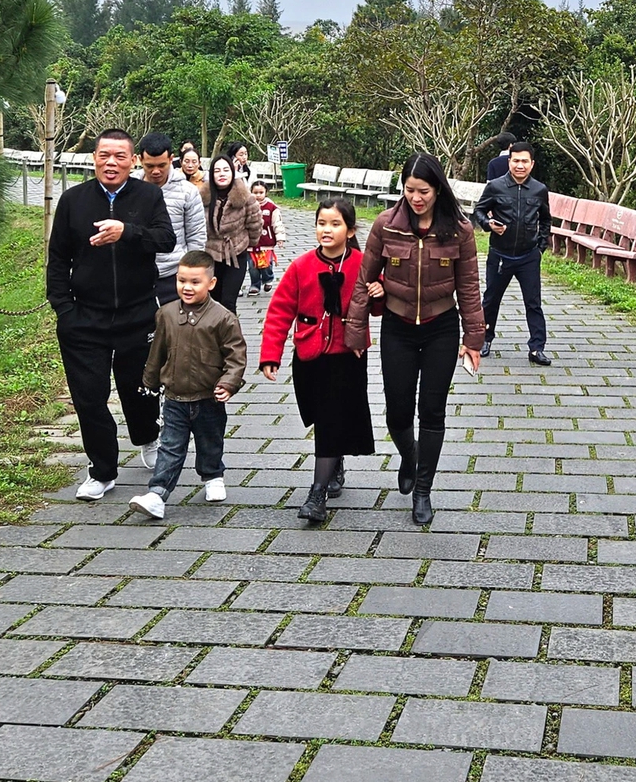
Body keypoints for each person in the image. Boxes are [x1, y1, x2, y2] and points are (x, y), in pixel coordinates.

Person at [348, 153, 485, 526]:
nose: (416, 197)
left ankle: (423, 489)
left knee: (432, 409)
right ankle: (410, 456)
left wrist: (474, 339)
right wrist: (356, 330)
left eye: (423, 190)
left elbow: (469, 287)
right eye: (409, 190)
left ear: (438, 189)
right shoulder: (386, 226)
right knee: (397, 410)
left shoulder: (459, 230)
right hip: (397, 325)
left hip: (442, 326)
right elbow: (364, 280)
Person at [45, 128, 177, 501]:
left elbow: (165, 240)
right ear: (94, 159)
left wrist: (128, 232)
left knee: (140, 389)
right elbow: (57, 259)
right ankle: (102, 470)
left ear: (132, 161)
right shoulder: (74, 200)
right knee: (89, 396)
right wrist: (64, 309)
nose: (111, 163)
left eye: (120, 156)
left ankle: (147, 436)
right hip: (85, 317)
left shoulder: (148, 195)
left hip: (137, 314)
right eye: (104, 155)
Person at [260, 195, 374, 523]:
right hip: (309, 356)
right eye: (322, 223)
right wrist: (271, 354)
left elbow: (377, 308)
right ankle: (335, 461)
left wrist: (378, 293)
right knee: (318, 415)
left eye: (335, 224)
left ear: (350, 230)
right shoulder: (301, 266)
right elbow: (280, 311)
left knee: (330, 419)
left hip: (347, 356)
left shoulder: (362, 264)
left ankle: (317, 493)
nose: (327, 229)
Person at [130, 250, 248, 520]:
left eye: (195, 282)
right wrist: (148, 381)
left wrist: (229, 383)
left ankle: (213, 475)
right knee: (170, 447)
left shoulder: (223, 318)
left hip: (209, 397)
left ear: (211, 284)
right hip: (174, 398)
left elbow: (236, 355)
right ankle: (157, 493)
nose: (187, 287)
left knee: (210, 441)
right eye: (181, 280)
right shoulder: (166, 314)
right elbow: (157, 351)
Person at [472, 140, 551, 366]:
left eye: (524, 161)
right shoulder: (496, 186)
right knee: (491, 299)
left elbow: (545, 220)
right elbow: (479, 210)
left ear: (532, 164)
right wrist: (488, 224)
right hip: (500, 254)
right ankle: (485, 339)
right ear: (509, 161)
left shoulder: (539, 190)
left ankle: (537, 348)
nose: (520, 165)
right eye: (516, 160)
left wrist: (540, 247)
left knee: (533, 302)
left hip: (528, 256)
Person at [138, 133, 207, 306]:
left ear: (171, 159)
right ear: (139, 160)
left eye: (162, 165)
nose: (156, 171)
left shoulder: (187, 191)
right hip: (136, 275)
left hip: (173, 275)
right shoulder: (129, 188)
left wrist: (189, 276)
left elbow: (196, 237)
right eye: (149, 166)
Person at [203, 155, 262, 311]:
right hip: (211, 255)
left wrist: (250, 244)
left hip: (236, 254)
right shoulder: (202, 197)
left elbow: (255, 223)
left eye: (225, 170)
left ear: (232, 172)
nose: (222, 174)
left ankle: (231, 335)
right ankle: (214, 334)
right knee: (213, 301)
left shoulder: (245, 197)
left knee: (228, 302)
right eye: (217, 171)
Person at [250, 184, 280, 293]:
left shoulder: (272, 207)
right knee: (252, 266)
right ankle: (255, 285)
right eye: (255, 192)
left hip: (267, 241)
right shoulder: (247, 206)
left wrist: (280, 237)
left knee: (267, 264)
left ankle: (268, 279)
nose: (258, 195)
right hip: (251, 243)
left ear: (266, 192)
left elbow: (277, 223)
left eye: (261, 192)